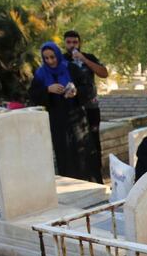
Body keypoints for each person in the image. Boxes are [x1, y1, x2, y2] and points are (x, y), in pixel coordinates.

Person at [29, 41, 99, 183]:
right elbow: (32, 95)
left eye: (53, 57)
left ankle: (88, 184)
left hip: (77, 118)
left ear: (58, 55)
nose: (50, 61)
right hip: (57, 120)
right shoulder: (41, 74)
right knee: (64, 154)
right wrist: (48, 90)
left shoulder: (71, 68)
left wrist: (76, 91)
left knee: (83, 153)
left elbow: (89, 88)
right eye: (47, 58)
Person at [63, 30, 108, 182]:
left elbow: (104, 73)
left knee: (94, 142)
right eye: (68, 42)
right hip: (73, 110)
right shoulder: (61, 60)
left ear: (79, 43)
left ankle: (97, 177)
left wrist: (85, 60)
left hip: (91, 108)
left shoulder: (89, 57)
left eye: (74, 42)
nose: (72, 45)